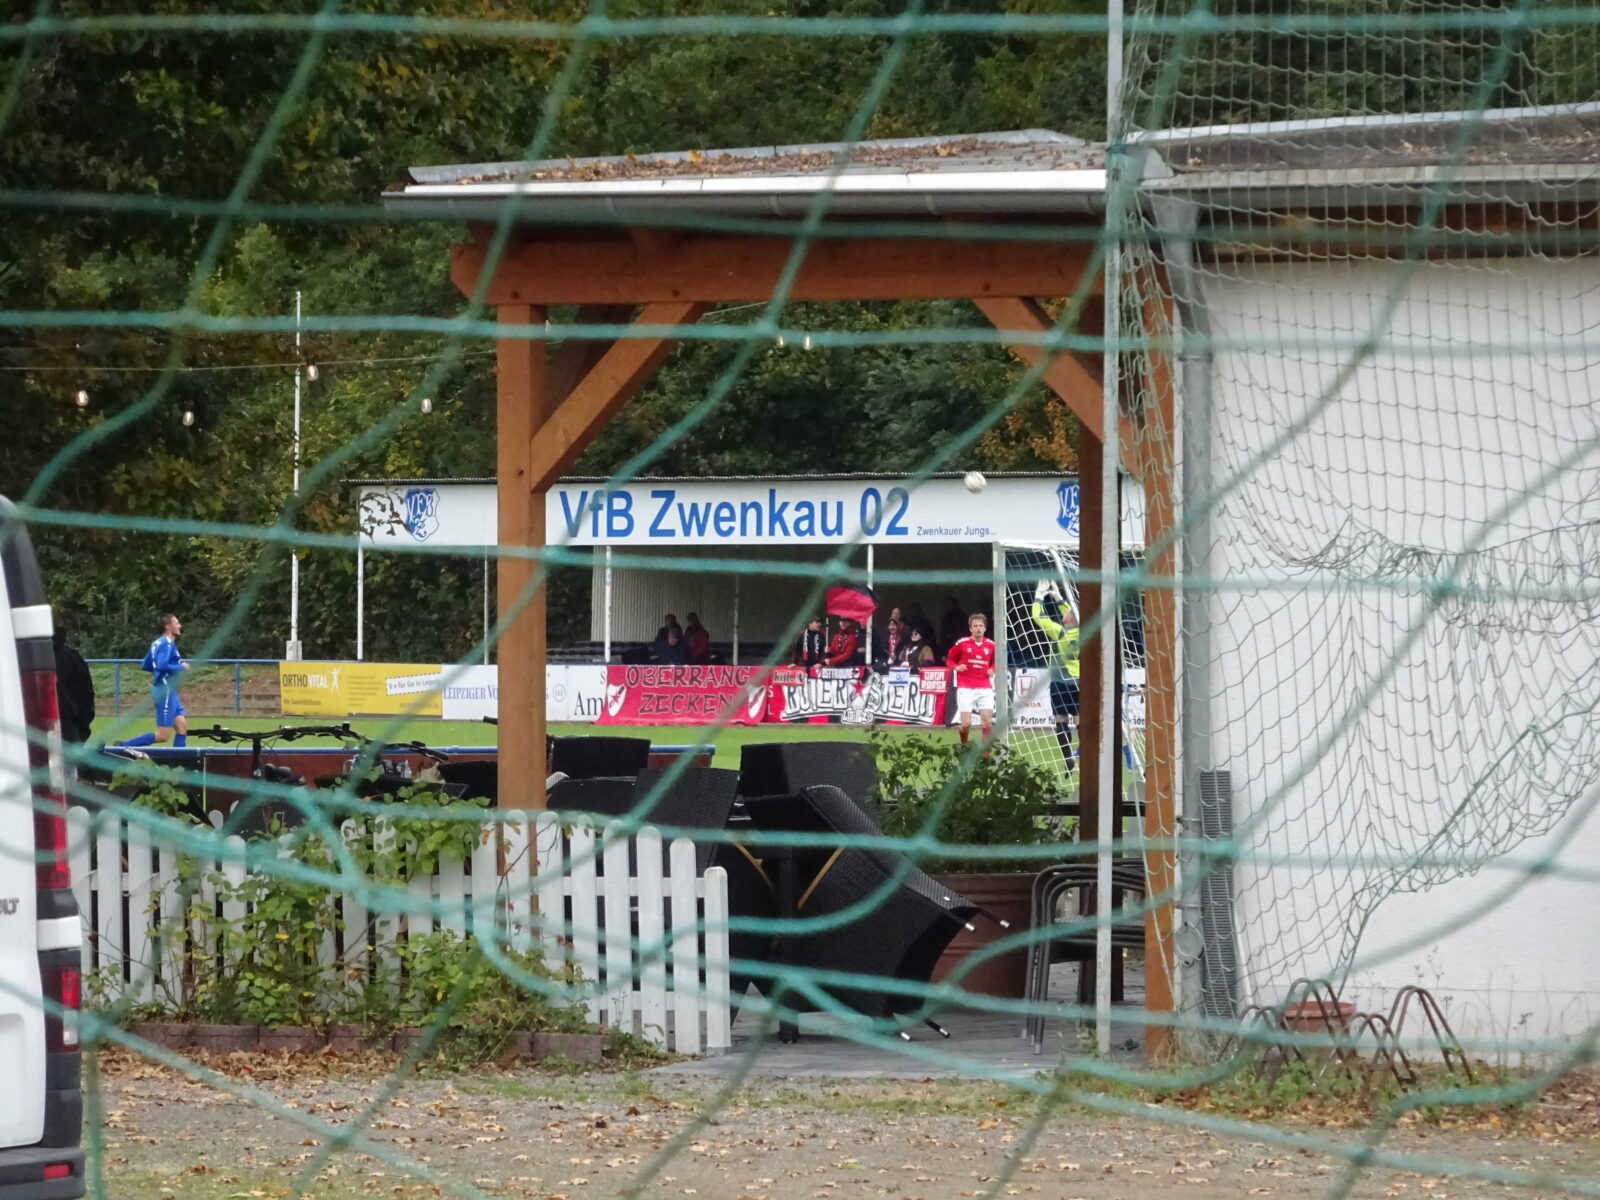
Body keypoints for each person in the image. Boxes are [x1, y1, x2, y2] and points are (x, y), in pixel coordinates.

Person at [1030, 578, 1081, 766]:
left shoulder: (1061, 632)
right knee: (1078, 718)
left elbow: (1038, 618)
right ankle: (1086, 750)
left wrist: (1039, 597)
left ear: (1069, 619)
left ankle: (1068, 756)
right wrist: (1059, 598)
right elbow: (1073, 614)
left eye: (1067, 612)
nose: (1065, 612)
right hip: (1079, 680)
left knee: (1060, 719)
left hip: (1060, 682)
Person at [119, 613, 188, 747]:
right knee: (163, 735)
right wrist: (181, 668)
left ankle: (181, 762)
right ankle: (124, 746)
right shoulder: (167, 643)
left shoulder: (157, 642)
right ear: (168, 626)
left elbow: (146, 664)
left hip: (169, 690)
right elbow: (162, 665)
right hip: (165, 691)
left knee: (182, 727)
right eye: (176, 623)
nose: (180, 626)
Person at [944, 612, 997, 745]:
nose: (978, 628)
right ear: (970, 629)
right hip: (966, 687)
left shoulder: (991, 645)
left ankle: (985, 752)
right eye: (975, 626)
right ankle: (964, 744)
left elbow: (997, 661)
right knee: (966, 723)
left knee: (987, 720)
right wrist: (957, 667)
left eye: (981, 626)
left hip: (984, 688)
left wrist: (992, 669)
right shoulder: (962, 643)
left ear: (985, 628)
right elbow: (950, 659)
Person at [52, 625, 95, 746]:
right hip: (71, 735)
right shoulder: (72, 657)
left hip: (34, 739)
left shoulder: (18, 657)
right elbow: (87, 699)